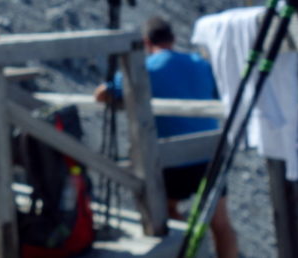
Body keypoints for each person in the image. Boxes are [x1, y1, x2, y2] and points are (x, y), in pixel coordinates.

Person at [94, 16, 239, 258]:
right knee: (221, 221)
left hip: (173, 158)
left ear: (146, 42)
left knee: (169, 211)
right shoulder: (200, 63)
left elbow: (102, 94)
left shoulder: (145, 68)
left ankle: (190, 252)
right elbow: (217, 93)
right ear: (172, 38)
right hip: (208, 152)